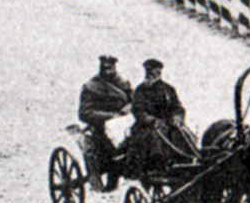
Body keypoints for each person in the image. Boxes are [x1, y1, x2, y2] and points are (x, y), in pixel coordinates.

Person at [124, 58, 191, 176]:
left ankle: (186, 164)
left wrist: (177, 118)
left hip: (168, 123)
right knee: (155, 138)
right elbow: (138, 110)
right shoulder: (140, 90)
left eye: (155, 72)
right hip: (147, 126)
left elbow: (178, 107)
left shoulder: (168, 89)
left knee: (184, 134)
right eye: (149, 73)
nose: (152, 75)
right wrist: (151, 120)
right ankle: (158, 168)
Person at [76, 55, 133, 183]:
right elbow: (84, 113)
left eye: (110, 69)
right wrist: (110, 117)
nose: (108, 72)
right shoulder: (91, 87)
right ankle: (107, 177)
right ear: (100, 69)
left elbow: (134, 101)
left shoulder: (123, 84)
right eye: (105, 69)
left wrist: (127, 109)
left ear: (115, 68)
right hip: (101, 128)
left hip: (124, 123)